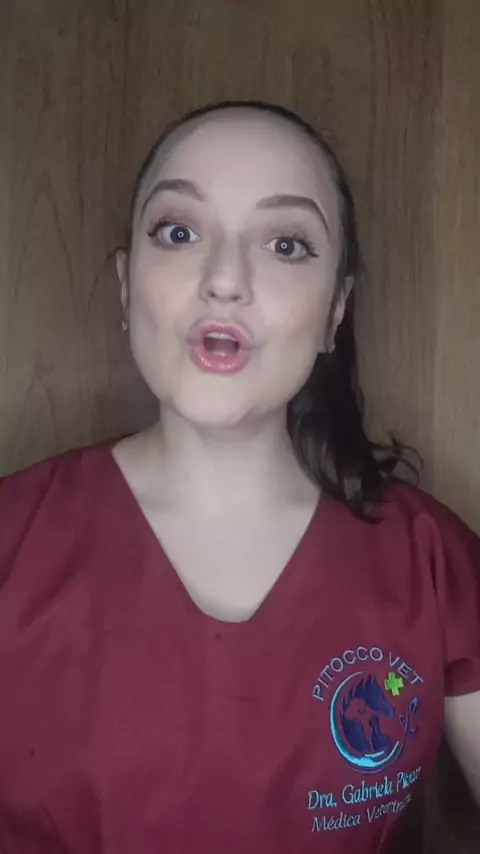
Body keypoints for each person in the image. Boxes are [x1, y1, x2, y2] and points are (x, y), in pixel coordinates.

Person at [0, 100, 479, 854]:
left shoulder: (432, 561)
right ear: (126, 285)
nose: (224, 280)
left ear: (336, 310)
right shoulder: (13, 539)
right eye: (178, 232)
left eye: (286, 244)